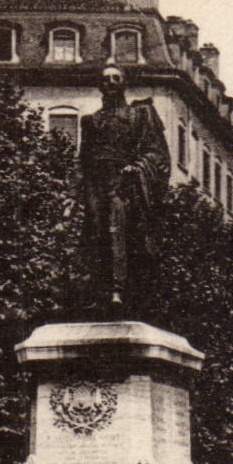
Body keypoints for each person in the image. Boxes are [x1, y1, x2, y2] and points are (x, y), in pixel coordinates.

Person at [78, 64, 169, 318]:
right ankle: (98, 291)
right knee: (96, 233)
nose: (110, 82)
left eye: (116, 78)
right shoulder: (90, 121)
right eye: (106, 79)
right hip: (96, 183)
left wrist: (137, 168)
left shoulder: (138, 116)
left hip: (125, 183)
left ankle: (119, 290)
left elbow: (155, 153)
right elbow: (83, 160)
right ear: (100, 85)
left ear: (124, 83)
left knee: (118, 231)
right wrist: (75, 193)